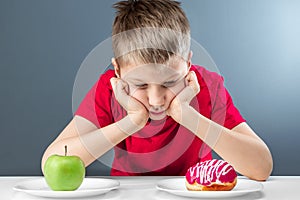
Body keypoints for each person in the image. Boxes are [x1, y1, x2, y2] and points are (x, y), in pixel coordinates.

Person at [41, 0, 273, 180]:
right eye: (141, 85)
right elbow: (51, 161)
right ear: (118, 71)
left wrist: (188, 116)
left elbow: (261, 167)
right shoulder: (109, 89)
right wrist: (131, 122)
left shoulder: (207, 86)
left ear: (188, 65)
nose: (156, 101)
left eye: (170, 82)